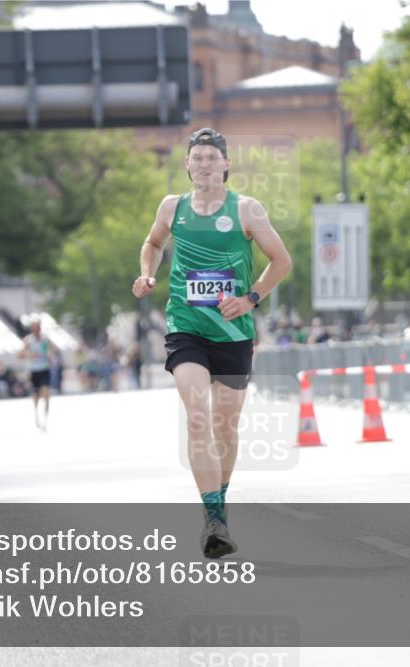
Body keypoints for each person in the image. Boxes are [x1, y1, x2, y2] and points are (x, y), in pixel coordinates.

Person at [131, 128, 292, 558]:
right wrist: (148, 273)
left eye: (211, 158)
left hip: (233, 332)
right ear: (187, 165)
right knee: (197, 416)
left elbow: (282, 260)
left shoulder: (247, 210)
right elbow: (152, 243)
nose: (203, 164)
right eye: (196, 157)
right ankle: (214, 518)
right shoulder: (172, 207)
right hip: (185, 326)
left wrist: (250, 298)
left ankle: (220, 500)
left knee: (225, 424)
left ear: (225, 164)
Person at [20, 320, 58, 429]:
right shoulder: (29, 340)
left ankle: (45, 420)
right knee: (36, 396)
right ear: (32, 329)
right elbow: (20, 354)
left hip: (44, 369)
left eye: (38, 327)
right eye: (35, 327)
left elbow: (54, 349)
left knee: (46, 394)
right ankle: (37, 415)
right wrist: (30, 354)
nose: (37, 329)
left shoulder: (45, 339)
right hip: (34, 371)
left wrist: (50, 353)